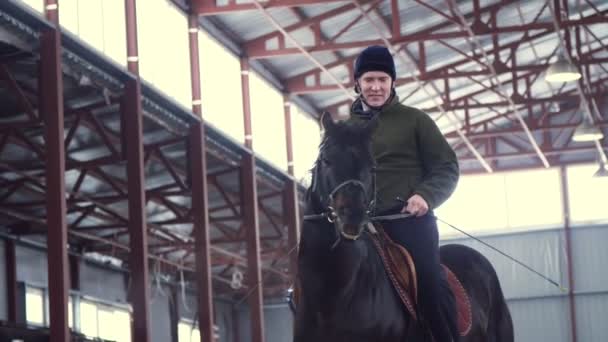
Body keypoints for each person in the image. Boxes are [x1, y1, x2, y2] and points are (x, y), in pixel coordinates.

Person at [347, 45, 460, 342]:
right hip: (359, 228)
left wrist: (425, 196)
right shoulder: (345, 128)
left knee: (430, 283)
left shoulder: (416, 121)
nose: (375, 87)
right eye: (369, 79)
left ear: (392, 83)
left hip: (408, 222)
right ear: (357, 82)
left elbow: (447, 167)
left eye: (382, 80)